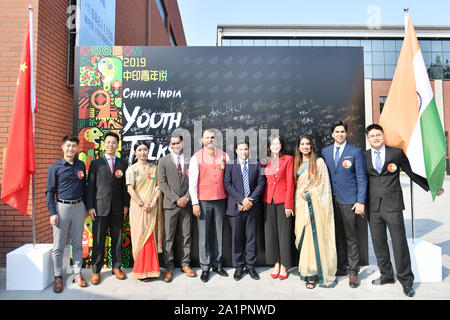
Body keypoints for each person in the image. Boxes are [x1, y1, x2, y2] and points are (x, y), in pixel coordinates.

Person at [365, 124, 444, 297]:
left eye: (378, 135)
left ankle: (406, 280)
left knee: (399, 243)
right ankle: (386, 275)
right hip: (373, 207)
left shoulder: (396, 153)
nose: (376, 138)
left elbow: (412, 173)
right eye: (372, 136)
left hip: (393, 205)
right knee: (379, 244)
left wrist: (432, 187)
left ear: (384, 136)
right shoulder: (365, 156)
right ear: (368, 139)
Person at [321, 120, 367, 288]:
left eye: (342, 131)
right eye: (337, 132)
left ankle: (353, 272)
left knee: (351, 237)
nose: (340, 134)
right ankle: (340, 267)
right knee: (336, 235)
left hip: (349, 201)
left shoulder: (354, 151)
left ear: (346, 133)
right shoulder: (325, 152)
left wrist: (360, 201)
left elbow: (362, 178)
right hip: (330, 201)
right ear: (332, 134)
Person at [293, 136, 337, 289]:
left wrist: (309, 194)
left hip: (314, 205)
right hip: (299, 206)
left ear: (312, 146)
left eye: (308, 144)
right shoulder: (296, 164)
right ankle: (305, 269)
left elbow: (324, 186)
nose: (305, 147)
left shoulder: (319, 163)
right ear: (298, 147)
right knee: (303, 238)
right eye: (302, 144)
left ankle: (312, 273)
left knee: (313, 239)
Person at [46, 135, 88, 293]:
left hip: (78, 207)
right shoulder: (55, 167)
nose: (71, 149)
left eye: (74, 146)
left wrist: (85, 207)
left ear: (77, 148)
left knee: (77, 243)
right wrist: (52, 212)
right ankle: (58, 276)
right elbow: (50, 192)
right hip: (61, 208)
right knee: (58, 245)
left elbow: (84, 188)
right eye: (68, 146)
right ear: (62, 147)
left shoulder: (81, 165)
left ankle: (77, 273)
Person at [87, 132, 130, 285]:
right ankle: (96, 270)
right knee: (99, 240)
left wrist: (126, 204)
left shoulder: (123, 163)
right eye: (108, 142)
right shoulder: (95, 163)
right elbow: (90, 186)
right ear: (104, 144)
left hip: (118, 208)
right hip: (99, 207)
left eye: (114, 142)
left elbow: (126, 186)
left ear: (117, 145)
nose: (111, 145)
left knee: (117, 239)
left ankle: (117, 267)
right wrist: (90, 206)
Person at [189, 129, 230, 282]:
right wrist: (195, 202)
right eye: (207, 137)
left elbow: (229, 178)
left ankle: (218, 265)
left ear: (216, 139)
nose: (210, 140)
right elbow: (192, 182)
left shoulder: (225, 155)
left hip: (220, 200)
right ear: (202, 139)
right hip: (203, 201)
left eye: (212, 137)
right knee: (204, 236)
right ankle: (205, 267)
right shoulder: (196, 157)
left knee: (219, 234)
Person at [224, 140, 266, 281]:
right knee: (237, 239)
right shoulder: (230, 165)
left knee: (251, 238)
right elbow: (227, 184)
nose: (243, 152)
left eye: (246, 149)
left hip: (252, 208)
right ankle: (238, 267)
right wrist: (242, 199)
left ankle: (250, 267)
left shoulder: (257, 164)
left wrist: (250, 200)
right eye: (241, 149)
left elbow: (261, 184)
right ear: (236, 150)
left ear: (249, 150)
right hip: (236, 208)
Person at [157, 134, 196, 282]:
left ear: (182, 143)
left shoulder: (191, 160)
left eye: (177, 143)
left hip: (186, 204)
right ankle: (169, 267)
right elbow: (162, 183)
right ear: (169, 145)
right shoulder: (163, 161)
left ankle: (186, 264)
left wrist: (186, 197)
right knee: (169, 238)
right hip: (170, 205)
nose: (175, 146)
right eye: (172, 144)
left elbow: (194, 181)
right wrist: (175, 198)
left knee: (186, 236)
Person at [126, 140, 163, 281]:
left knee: (150, 237)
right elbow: (130, 189)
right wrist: (142, 204)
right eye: (139, 150)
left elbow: (158, 187)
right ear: (135, 152)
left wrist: (153, 202)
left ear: (148, 151)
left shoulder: (154, 168)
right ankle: (140, 270)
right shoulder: (132, 169)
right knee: (140, 237)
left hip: (152, 207)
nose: (142, 152)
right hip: (138, 207)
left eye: (145, 149)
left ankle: (152, 270)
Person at [262, 135, 295, 280]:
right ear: (269, 146)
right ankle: (276, 262)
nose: (275, 146)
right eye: (273, 143)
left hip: (282, 201)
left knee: (284, 234)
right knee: (271, 234)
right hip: (268, 201)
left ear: (281, 145)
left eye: (278, 143)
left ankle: (284, 265)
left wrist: (289, 204)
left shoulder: (288, 159)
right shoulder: (265, 162)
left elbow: (290, 183)